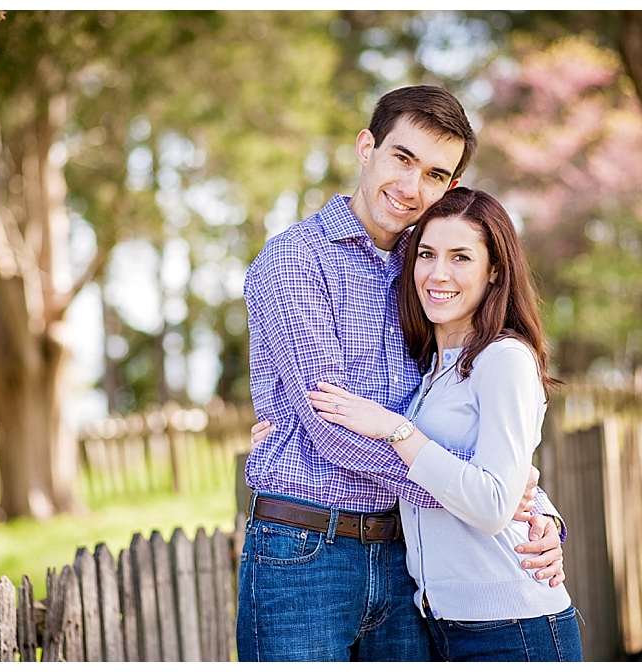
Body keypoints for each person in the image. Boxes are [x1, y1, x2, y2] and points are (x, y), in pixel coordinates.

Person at [239, 85, 565, 662]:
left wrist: (535, 511)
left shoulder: (432, 271)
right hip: (308, 551)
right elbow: (331, 428)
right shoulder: (297, 260)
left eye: (436, 174)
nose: (413, 188)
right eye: (402, 158)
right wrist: (488, 500)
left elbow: (475, 421)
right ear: (367, 147)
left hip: (407, 563)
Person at [305, 187, 584, 661]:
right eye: (427, 255)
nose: (438, 274)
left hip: (512, 629)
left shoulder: (503, 359)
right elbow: (497, 474)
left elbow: (493, 504)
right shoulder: (432, 368)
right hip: (442, 626)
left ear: (494, 270)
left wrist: (399, 432)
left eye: (461, 257)